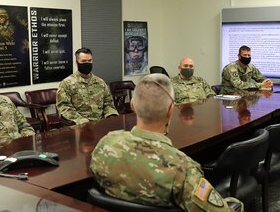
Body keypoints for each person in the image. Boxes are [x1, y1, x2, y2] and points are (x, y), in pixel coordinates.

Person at [90, 74, 244, 212]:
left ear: (133, 106)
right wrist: (235, 203)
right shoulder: (182, 168)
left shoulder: (105, 144)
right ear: (171, 110)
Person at [56, 47, 118, 125]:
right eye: (84, 61)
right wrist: (82, 121)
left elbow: (108, 103)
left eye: (89, 61)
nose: (87, 63)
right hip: (79, 125)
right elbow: (64, 107)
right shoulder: (67, 83)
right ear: (77, 62)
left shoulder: (100, 82)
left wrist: (111, 115)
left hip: (100, 123)